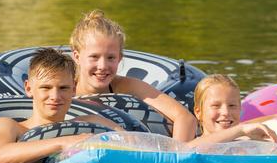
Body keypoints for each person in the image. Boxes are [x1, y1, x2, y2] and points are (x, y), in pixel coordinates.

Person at [70, 10, 197, 142]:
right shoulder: (63, 90)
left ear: (119, 58)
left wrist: (175, 156)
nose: (102, 66)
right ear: (77, 57)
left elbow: (185, 117)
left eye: (111, 58)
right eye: (94, 57)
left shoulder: (127, 87)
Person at [0, 48, 118, 163]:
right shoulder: (9, 126)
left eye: (63, 88)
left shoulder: (90, 122)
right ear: (28, 88)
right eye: (46, 88)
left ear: (74, 89)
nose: (55, 96)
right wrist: (63, 143)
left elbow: (131, 141)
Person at [188, 74, 277, 157]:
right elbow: (187, 150)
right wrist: (241, 129)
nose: (225, 112)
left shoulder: (249, 142)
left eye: (232, 106)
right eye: (216, 105)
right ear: (198, 112)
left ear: (240, 109)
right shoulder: (194, 145)